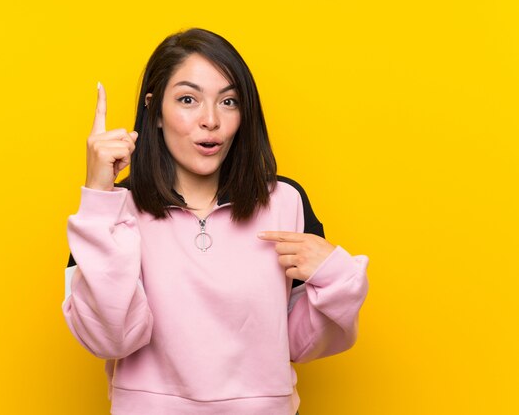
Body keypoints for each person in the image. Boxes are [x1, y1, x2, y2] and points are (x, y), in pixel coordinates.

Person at [62, 28, 369, 415]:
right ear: (154, 111)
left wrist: (339, 279)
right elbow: (111, 340)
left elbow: (299, 344)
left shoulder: (287, 201)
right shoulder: (108, 213)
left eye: (228, 101)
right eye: (188, 99)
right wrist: (98, 196)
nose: (211, 120)